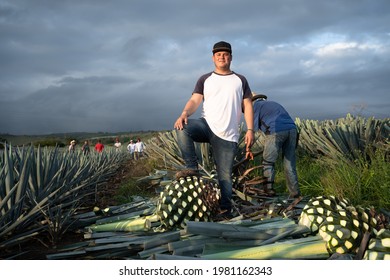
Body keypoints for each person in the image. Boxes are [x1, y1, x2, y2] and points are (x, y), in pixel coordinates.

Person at [174, 41, 254, 218]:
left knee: (224, 176)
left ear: (231, 57)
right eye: (218, 55)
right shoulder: (205, 79)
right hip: (207, 125)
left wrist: (250, 130)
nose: (222, 57)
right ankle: (192, 168)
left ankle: (225, 210)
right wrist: (185, 113)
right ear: (213, 58)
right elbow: (195, 100)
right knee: (183, 127)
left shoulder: (240, 80)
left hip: (228, 134)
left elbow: (247, 105)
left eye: (225, 54)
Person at [252, 93, 301, 198]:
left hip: (276, 131)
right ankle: (295, 193)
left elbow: (253, 129)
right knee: (289, 163)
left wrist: (248, 149)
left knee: (268, 162)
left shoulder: (255, 106)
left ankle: (268, 191)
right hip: (293, 130)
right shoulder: (274, 103)